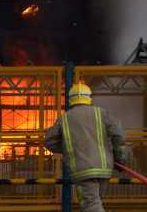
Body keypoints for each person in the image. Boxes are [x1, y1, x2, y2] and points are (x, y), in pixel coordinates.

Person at [44, 82, 127, 212]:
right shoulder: (102, 113)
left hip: (83, 169)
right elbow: (118, 135)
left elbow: (49, 141)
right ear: (89, 97)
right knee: (95, 202)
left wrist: (70, 149)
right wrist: (120, 157)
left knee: (91, 205)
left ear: (70, 99)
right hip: (104, 168)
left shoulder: (64, 119)